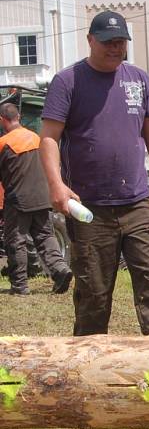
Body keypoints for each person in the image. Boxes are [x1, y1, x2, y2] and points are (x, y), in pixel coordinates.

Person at [38, 10, 149, 336]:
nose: (115, 49)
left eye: (121, 42)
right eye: (108, 42)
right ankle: (88, 367)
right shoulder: (68, 81)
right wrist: (56, 185)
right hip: (89, 208)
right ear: (90, 40)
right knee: (94, 293)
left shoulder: (138, 79)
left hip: (137, 203)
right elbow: (48, 138)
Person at [0, 103, 72, 295]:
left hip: (18, 201)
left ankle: (20, 285)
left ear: (2, 120)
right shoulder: (37, 138)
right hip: (43, 198)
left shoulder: (4, 143)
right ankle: (60, 270)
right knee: (45, 237)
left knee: (16, 241)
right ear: (19, 117)